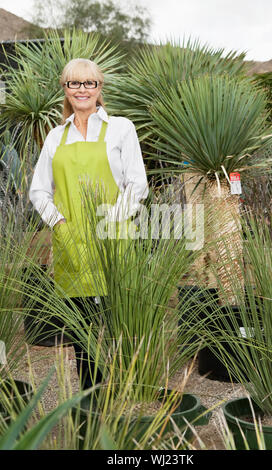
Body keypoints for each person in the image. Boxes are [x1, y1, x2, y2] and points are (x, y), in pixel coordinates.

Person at [29, 58, 149, 389]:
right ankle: (92, 396)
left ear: (100, 87)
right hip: (72, 242)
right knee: (82, 332)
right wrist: (58, 222)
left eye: (90, 83)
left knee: (120, 321)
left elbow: (137, 184)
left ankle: (129, 390)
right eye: (74, 83)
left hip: (114, 239)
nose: (82, 90)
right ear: (65, 89)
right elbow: (39, 191)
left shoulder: (122, 128)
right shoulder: (55, 137)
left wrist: (115, 216)